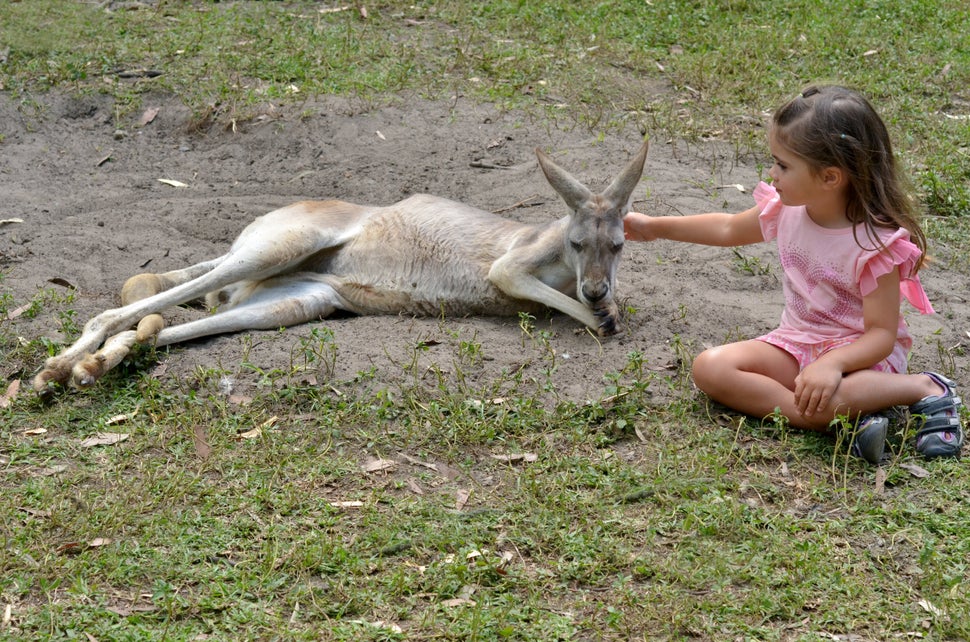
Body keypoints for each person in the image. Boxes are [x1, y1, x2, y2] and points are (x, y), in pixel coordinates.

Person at [624, 85, 964, 463]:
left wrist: (833, 363)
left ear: (831, 177)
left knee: (840, 394)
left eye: (783, 165)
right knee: (710, 367)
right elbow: (727, 229)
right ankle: (826, 418)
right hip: (796, 344)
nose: (772, 173)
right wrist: (654, 226)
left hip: (858, 360)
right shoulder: (784, 210)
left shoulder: (873, 246)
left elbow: (882, 335)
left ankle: (922, 387)